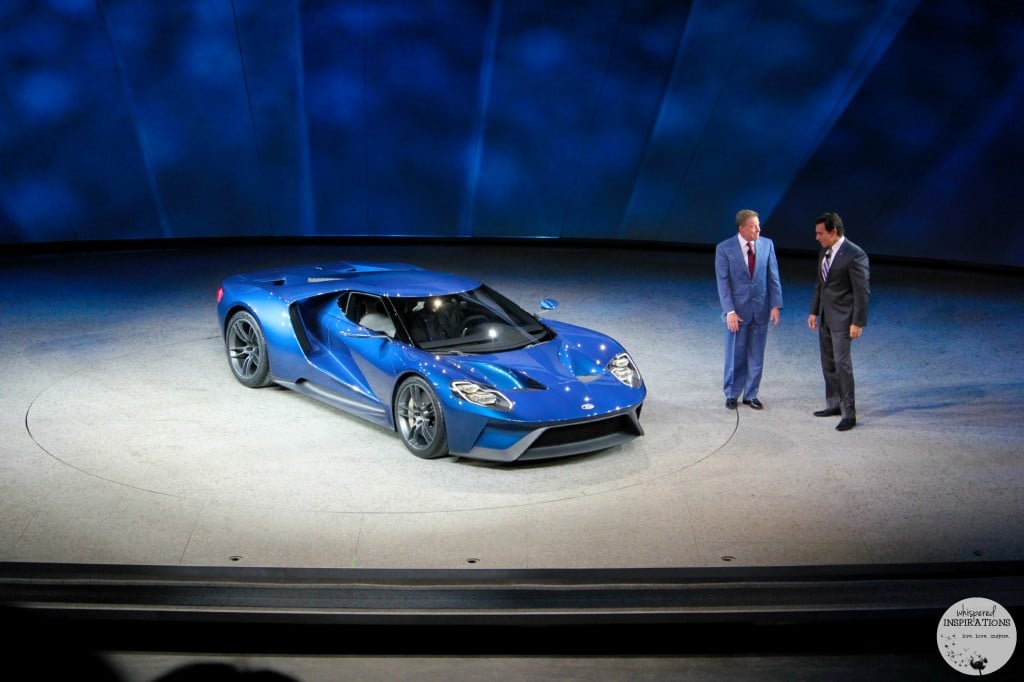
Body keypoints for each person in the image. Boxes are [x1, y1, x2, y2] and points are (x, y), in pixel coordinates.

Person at [807, 211, 870, 431]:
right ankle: (833, 404)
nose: (817, 237)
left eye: (820, 233)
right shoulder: (824, 251)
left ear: (833, 232)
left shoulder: (855, 255)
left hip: (844, 320)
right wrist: (814, 311)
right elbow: (820, 283)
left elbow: (862, 292)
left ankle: (849, 413)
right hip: (825, 317)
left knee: (843, 365)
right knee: (829, 363)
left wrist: (857, 322)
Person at [715, 209, 783, 410]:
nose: (758, 229)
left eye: (758, 225)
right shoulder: (724, 249)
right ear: (742, 228)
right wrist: (730, 311)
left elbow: (774, 277)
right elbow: (723, 283)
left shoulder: (767, 244)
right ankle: (732, 393)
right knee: (735, 354)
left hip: (760, 310)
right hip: (738, 312)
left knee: (756, 356)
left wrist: (775, 305)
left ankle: (751, 394)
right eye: (753, 226)